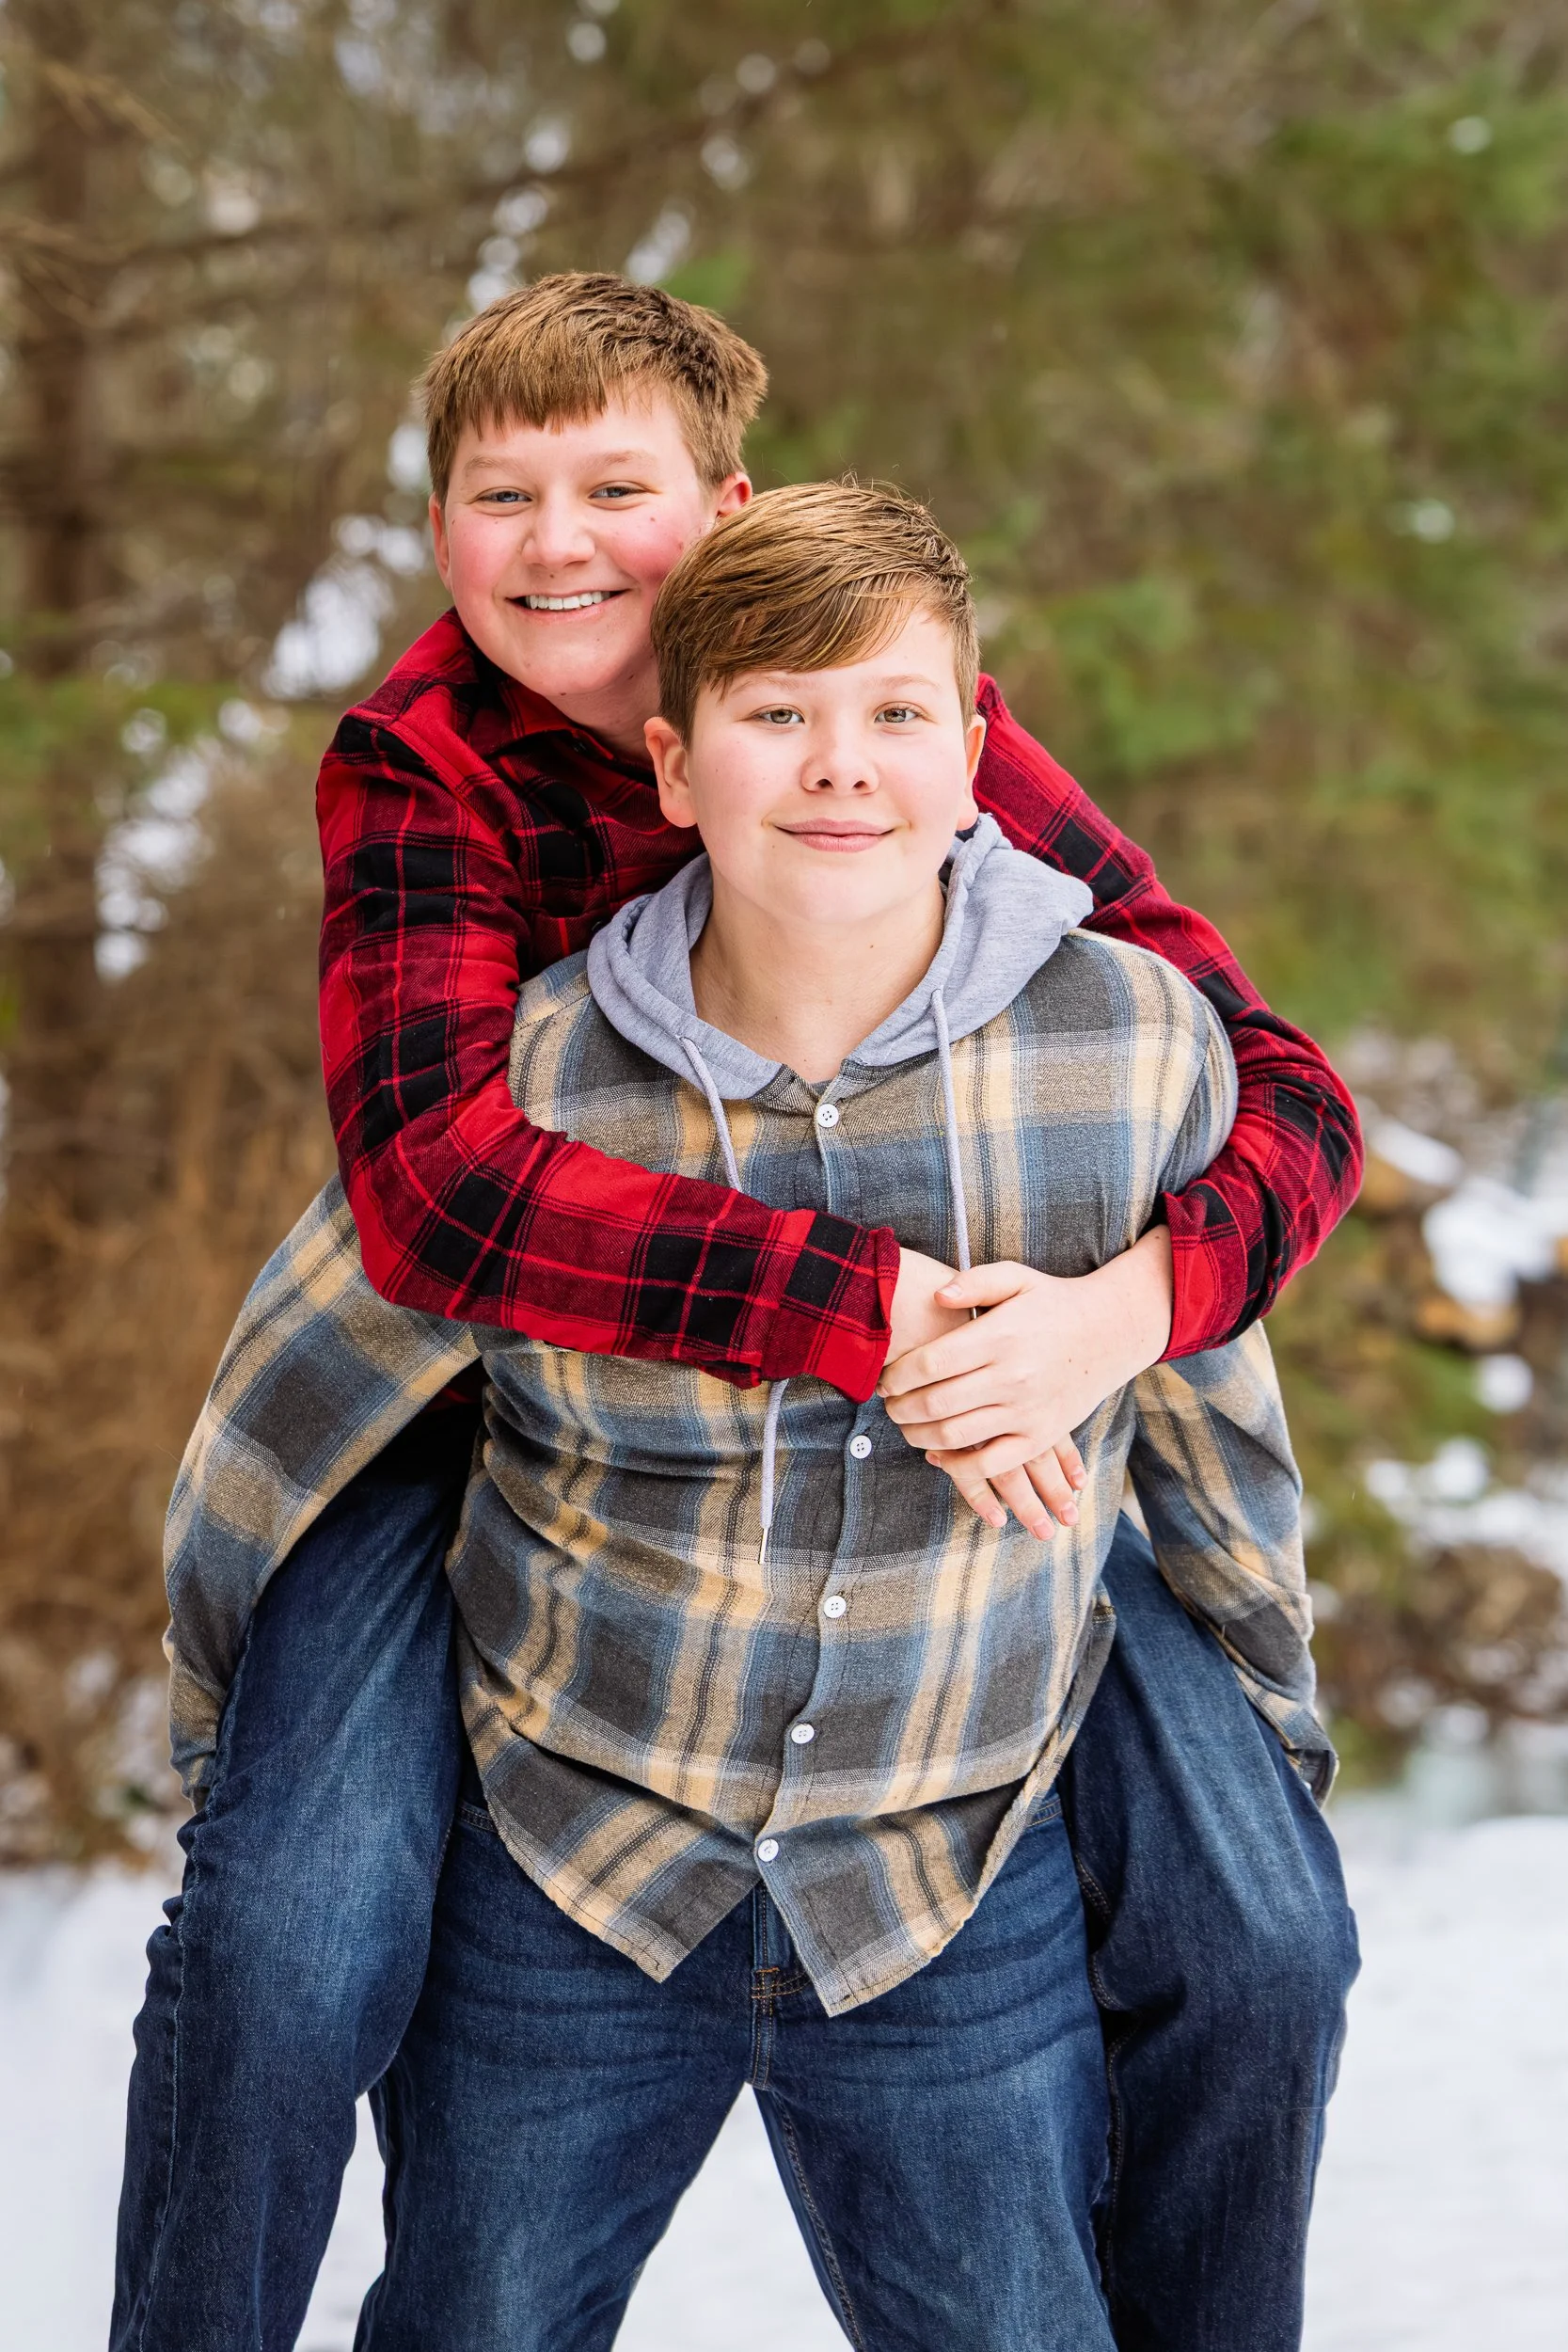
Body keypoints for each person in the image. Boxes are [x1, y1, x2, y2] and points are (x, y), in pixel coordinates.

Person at [113, 281, 1359, 2352]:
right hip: (495, 1382)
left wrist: (1110, 1310)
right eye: (497, 495)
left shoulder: (863, 694)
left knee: (1256, 1931)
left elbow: (1259, 1077)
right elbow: (426, 1197)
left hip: (997, 1377)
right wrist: (857, 1302)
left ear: (726, 504)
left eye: (616, 486)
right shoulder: (422, 765)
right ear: (438, 531)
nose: (558, 540)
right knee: (285, 1935)